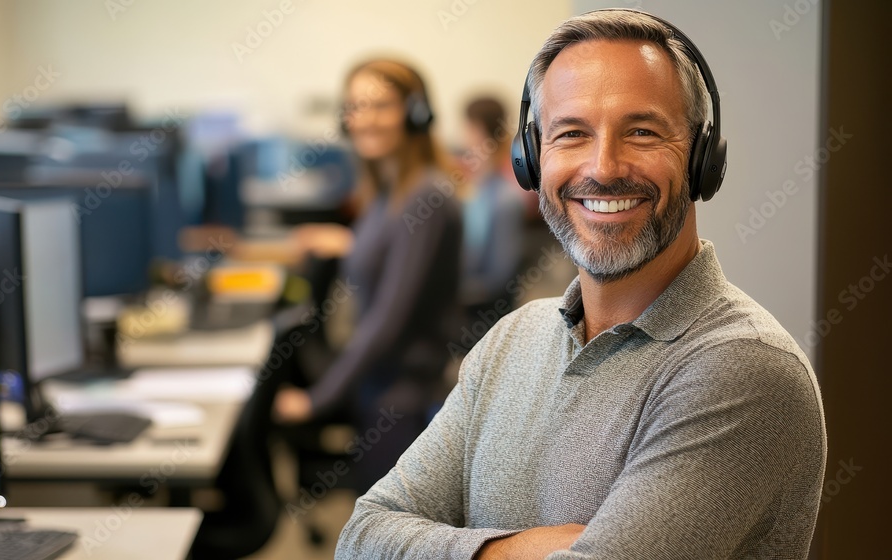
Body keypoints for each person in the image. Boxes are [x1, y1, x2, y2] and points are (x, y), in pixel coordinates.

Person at [336, 10, 826, 560]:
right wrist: (523, 549)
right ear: (531, 159)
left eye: (642, 131)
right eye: (571, 133)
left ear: (701, 159)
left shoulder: (744, 369)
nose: (603, 166)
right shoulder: (509, 341)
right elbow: (361, 538)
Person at [272, 59, 463, 494]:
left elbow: (388, 319)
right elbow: (393, 249)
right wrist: (350, 244)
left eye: (380, 105)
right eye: (355, 106)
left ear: (415, 114)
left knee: (387, 537)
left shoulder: (427, 196)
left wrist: (316, 399)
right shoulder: (386, 192)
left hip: (401, 397)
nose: (364, 119)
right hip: (377, 382)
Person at [457, 97, 526, 347]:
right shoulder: (475, 189)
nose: (461, 138)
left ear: (478, 131)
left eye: (466, 128)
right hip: (466, 297)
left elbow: (499, 278)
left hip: (481, 315)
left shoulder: (504, 199)